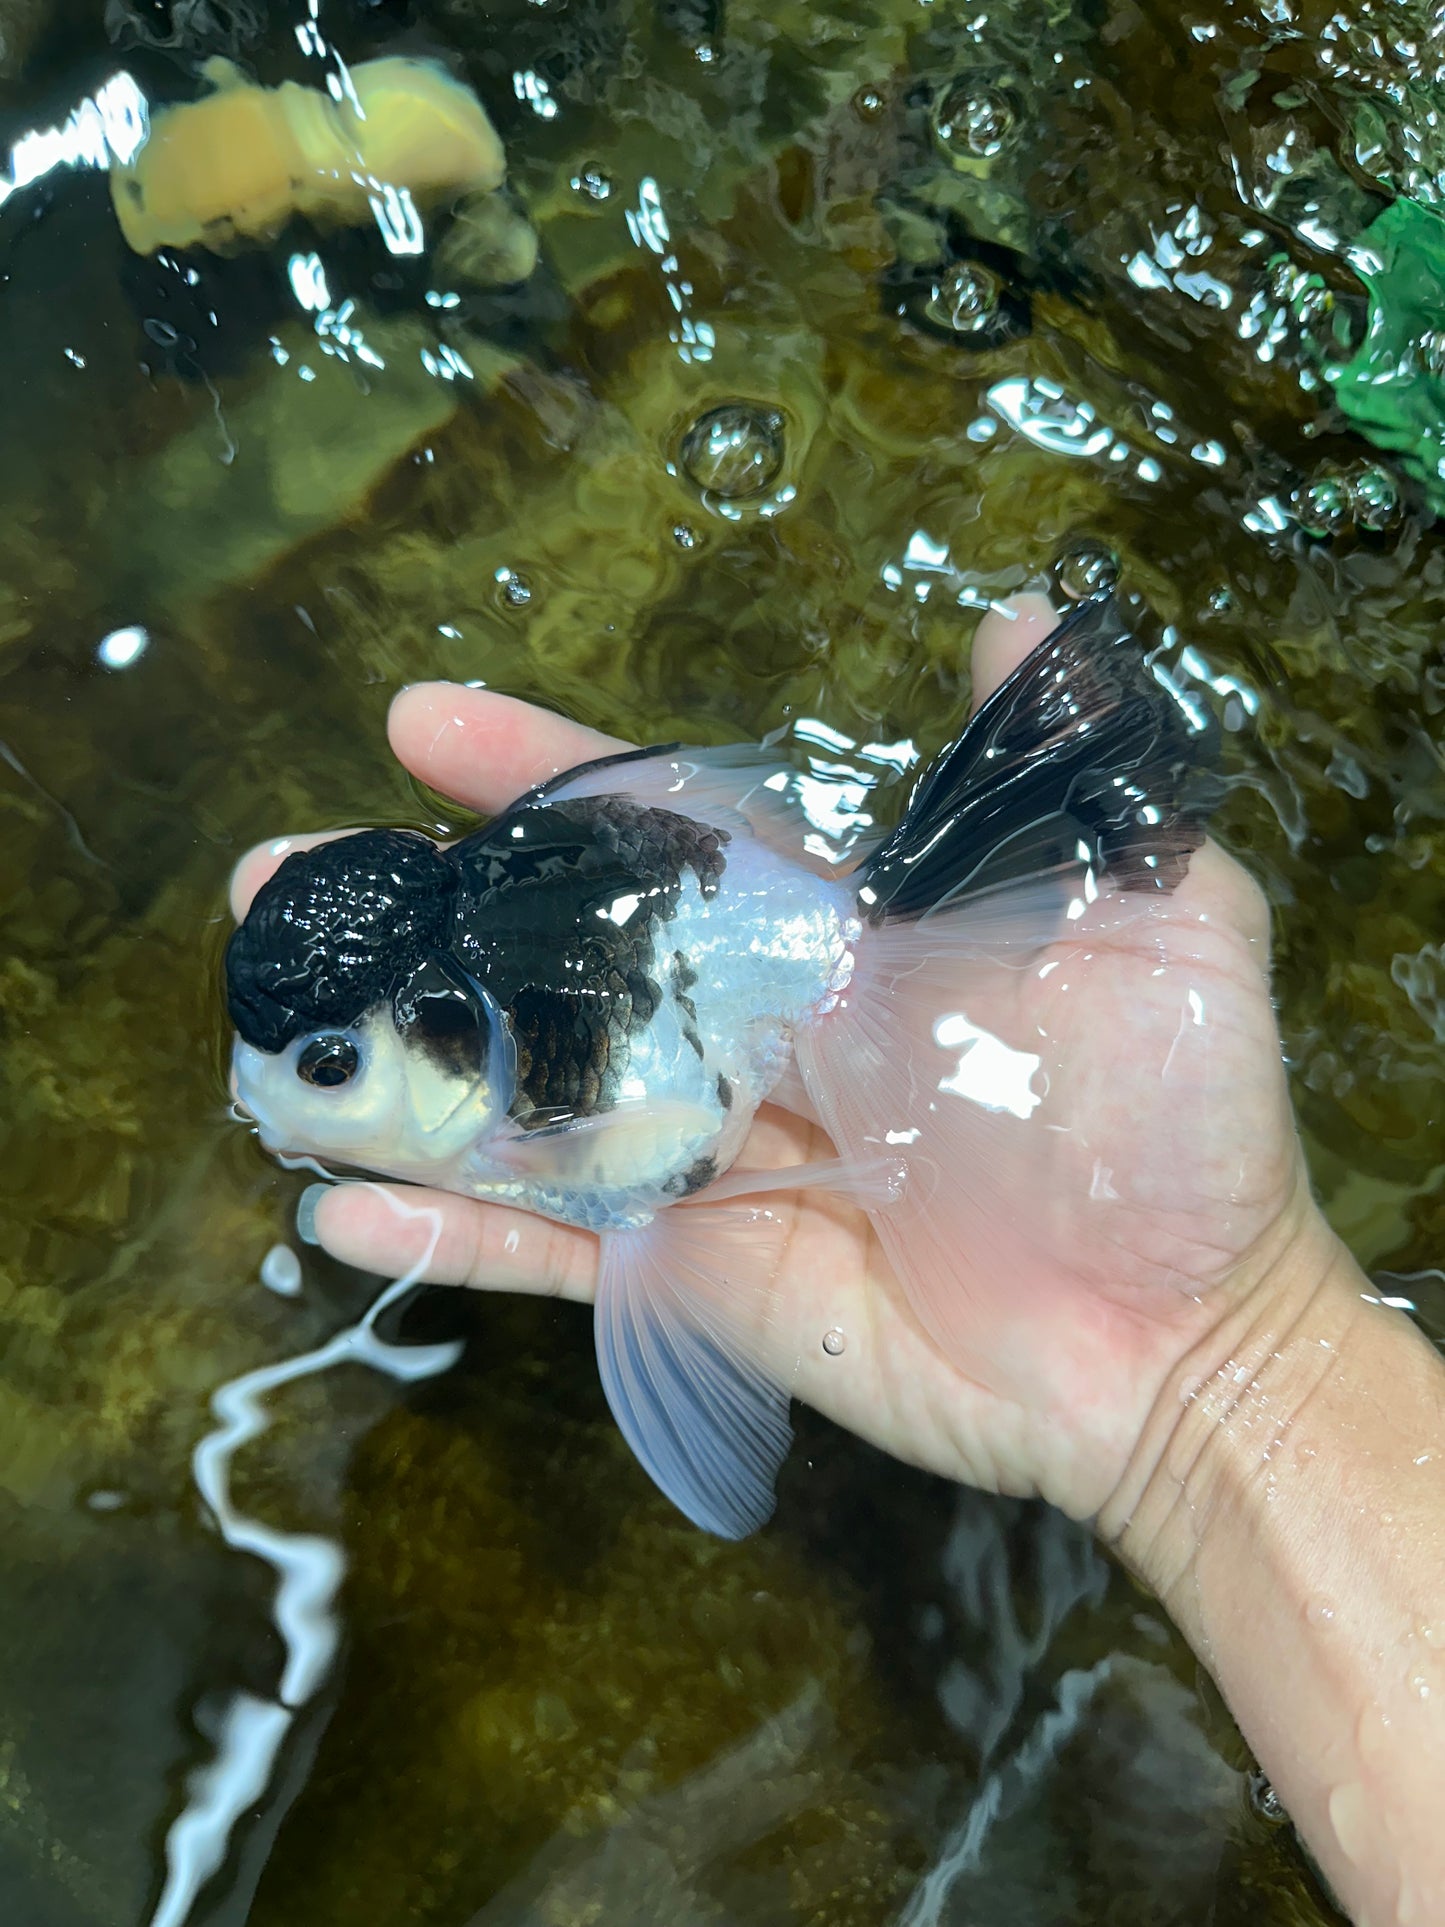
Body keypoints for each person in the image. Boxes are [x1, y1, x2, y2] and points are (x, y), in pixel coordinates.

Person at [231, 595, 1445, 1927]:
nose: (285, 1107)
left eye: (332, 1070)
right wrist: (1222, 1371)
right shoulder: (528, 991)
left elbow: (639, 1165)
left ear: (446, 1031)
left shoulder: (565, 1081)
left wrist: (1219, 1361)